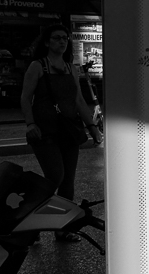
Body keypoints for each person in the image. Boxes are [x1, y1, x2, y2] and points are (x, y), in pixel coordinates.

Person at [21, 24, 102, 240]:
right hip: (44, 131)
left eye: (65, 38)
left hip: (68, 130)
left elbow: (78, 101)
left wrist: (93, 128)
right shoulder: (38, 66)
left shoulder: (70, 68)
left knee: (67, 182)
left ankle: (63, 228)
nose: (62, 41)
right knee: (55, 177)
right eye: (57, 38)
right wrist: (30, 124)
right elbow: (25, 98)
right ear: (47, 42)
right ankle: (29, 223)